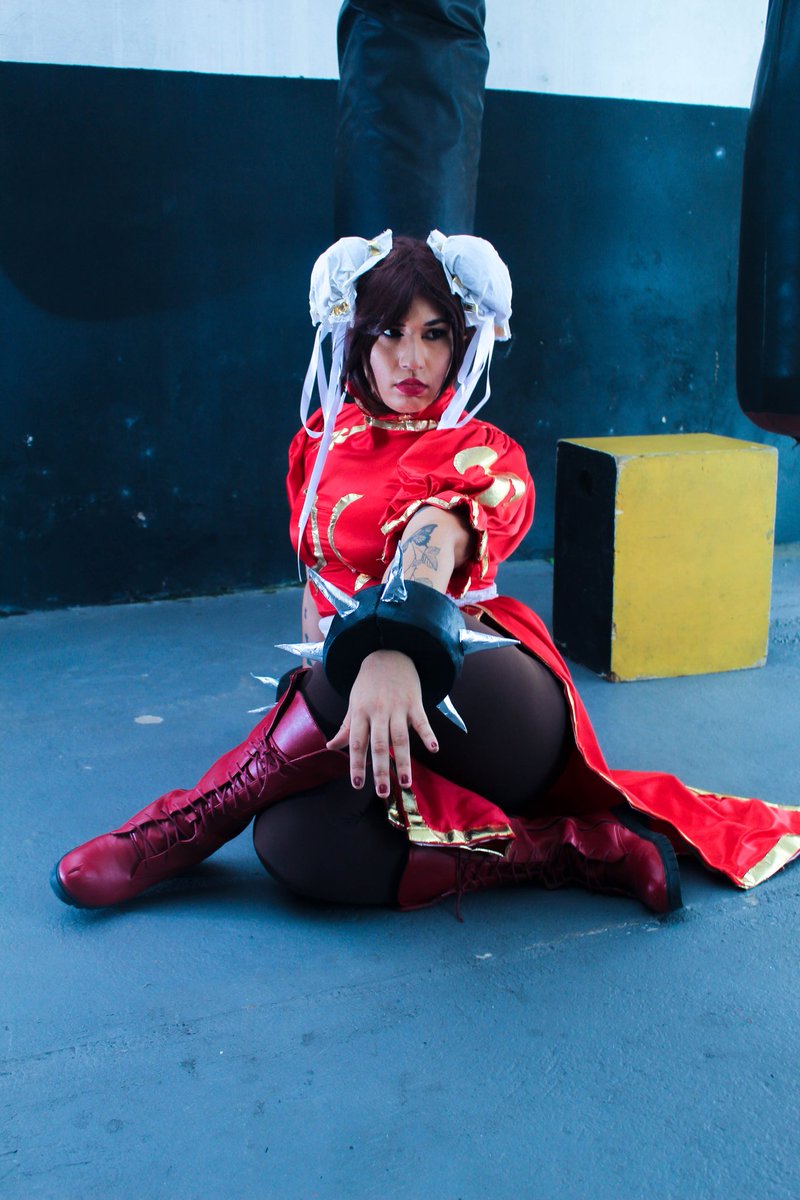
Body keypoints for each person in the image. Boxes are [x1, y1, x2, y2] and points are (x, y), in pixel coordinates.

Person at [51, 231, 800, 916]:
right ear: (356, 337)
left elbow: (434, 535)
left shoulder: (482, 451)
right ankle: (567, 848)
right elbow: (318, 580)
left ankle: (180, 827)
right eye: (390, 332)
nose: (412, 360)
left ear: (460, 342)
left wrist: (392, 647)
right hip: (361, 702)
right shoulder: (319, 443)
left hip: (493, 702)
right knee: (291, 844)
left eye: (434, 334)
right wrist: (336, 667)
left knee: (352, 661)